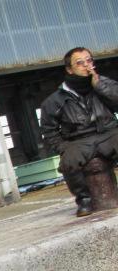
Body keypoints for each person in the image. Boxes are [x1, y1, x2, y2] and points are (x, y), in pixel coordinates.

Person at [40, 47, 118, 217]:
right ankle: (84, 199)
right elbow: (49, 130)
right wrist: (63, 148)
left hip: (109, 133)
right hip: (79, 140)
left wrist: (100, 85)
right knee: (69, 160)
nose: (86, 65)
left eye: (89, 60)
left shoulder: (104, 84)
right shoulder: (54, 101)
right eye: (80, 63)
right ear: (69, 69)